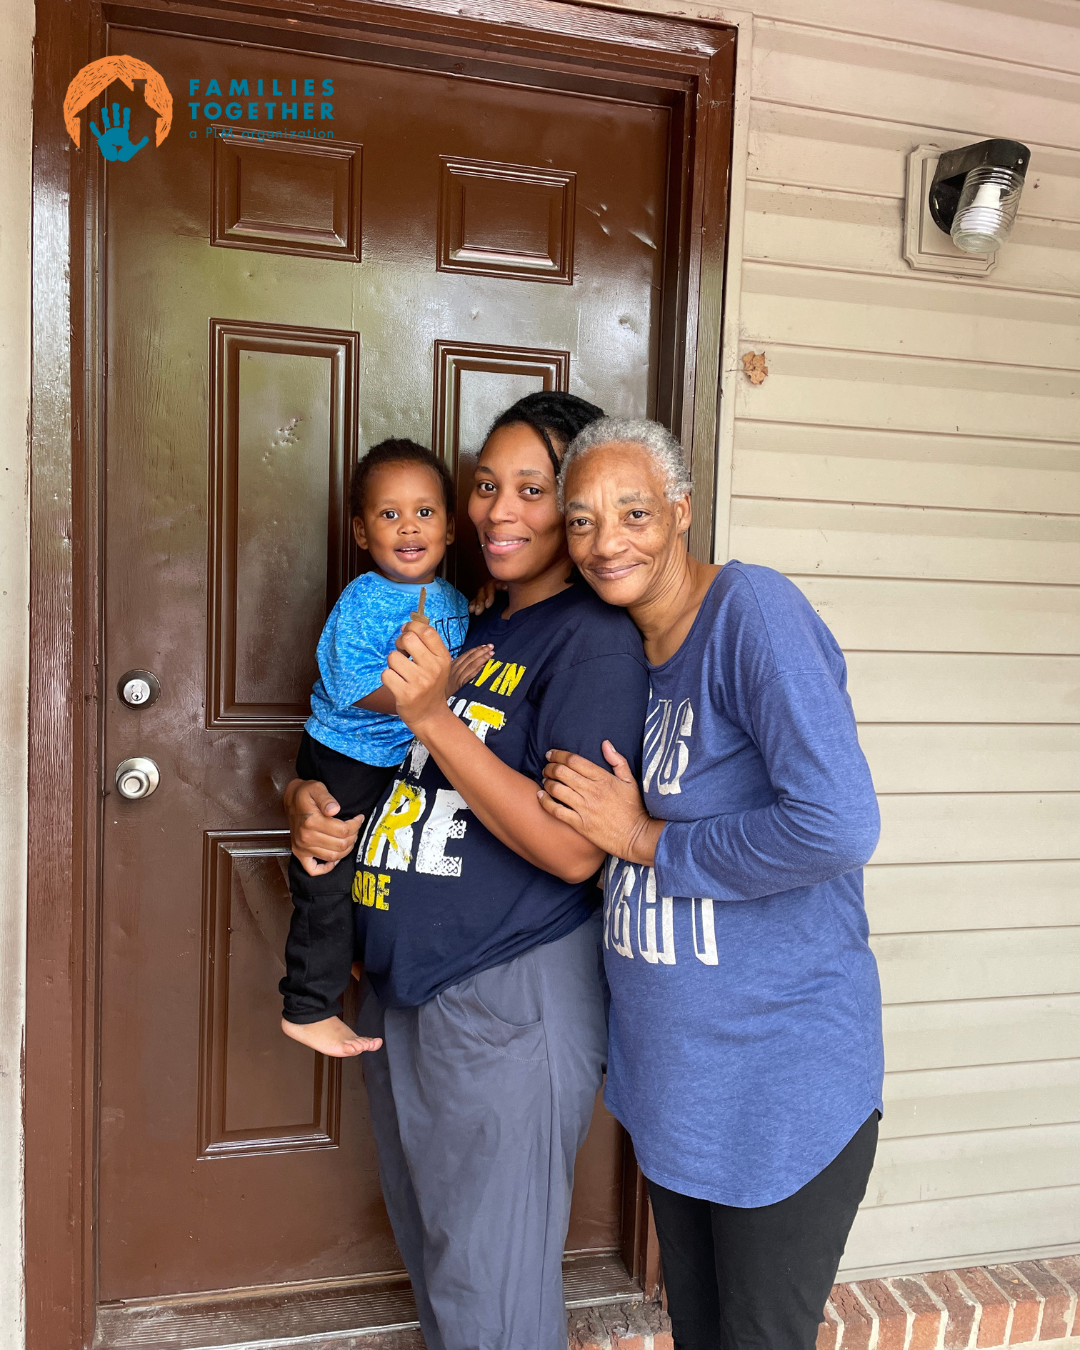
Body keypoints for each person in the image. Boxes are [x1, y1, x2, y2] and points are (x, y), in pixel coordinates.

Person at [284, 392, 651, 1350]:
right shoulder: (478, 624)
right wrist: (306, 807)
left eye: (533, 490)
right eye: (485, 485)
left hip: (503, 1000)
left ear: (574, 509)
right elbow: (392, 757)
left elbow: (573, 845)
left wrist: (436, 717)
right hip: (408, 997)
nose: (498, 510)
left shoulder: (590, 642)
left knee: (491, 1301)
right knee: (448, 1276)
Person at [538, 417, 884, 1350]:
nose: (608, 540)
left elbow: (840, 825)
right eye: (582, 520)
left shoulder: (750, 614)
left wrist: (649, 840)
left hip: (779, 1087)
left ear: (682, 512)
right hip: (676, 1088)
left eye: (635, 511)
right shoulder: (619, 655)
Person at [280, 439, 482, 1057]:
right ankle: (307, 1006)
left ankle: (359, 956)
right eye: (389, 515)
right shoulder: (365, 598)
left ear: (450, 528)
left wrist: (485, 602)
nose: (409, 527)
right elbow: (352, 686)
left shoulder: (451, 597)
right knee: (328, 871)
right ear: (361, 532)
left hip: (404, 763)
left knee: (383, 871)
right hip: (347, 754)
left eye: (424, 512)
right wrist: (434, 690)